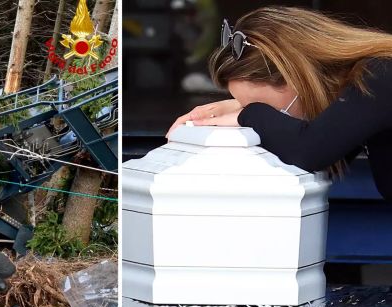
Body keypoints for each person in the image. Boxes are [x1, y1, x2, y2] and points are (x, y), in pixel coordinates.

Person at [167, 6, 392, 201]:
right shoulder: (365, 87)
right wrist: (237, 108)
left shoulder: (380, 75)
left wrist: (249, 114)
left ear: (298, 77)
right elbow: (320, 157)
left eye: (268, 110)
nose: (270, 120)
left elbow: (310, 150)